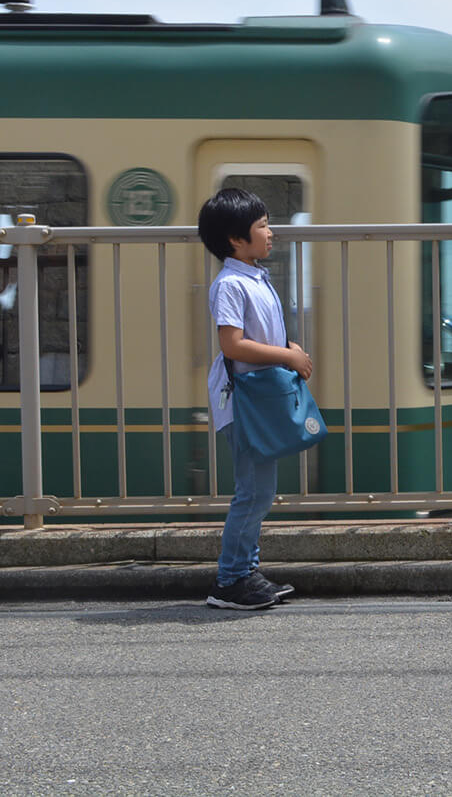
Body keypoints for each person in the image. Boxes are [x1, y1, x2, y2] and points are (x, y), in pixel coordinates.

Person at [198, 187, 314, 610]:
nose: (271, 233)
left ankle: (246, 572)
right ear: (235, 239)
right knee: (253, 492)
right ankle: (230, 581)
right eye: (262, 226)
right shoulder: (230, 284)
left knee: (258, 490)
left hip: (257, 401)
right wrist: (288, 354)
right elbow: (233, 345)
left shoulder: (251, 278)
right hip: (244, 404)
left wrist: (288, 349)